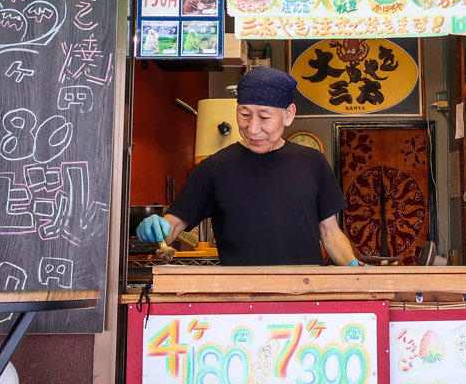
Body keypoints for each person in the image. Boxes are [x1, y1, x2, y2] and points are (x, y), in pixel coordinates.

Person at [135, 66, 360, 266]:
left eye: (264, 117)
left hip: (303, 295)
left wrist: (353, 267)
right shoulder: (215, 168)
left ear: (288, 115)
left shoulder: (313, 163)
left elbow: (330, 232)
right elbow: (174, 225)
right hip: (240, 300)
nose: (252, 129)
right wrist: (159, 229)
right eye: (244, 115)